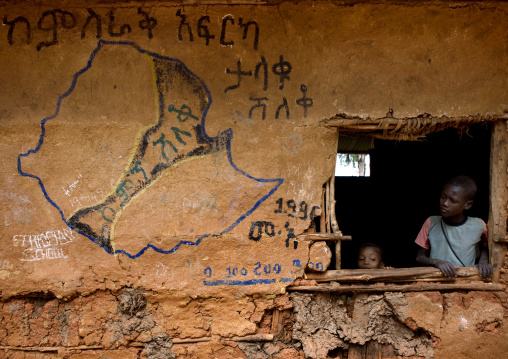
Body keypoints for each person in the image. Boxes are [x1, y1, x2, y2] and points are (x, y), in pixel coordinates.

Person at [415, 176, 493, 278]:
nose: (445, 203)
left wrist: (483, 261)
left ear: (468, 205)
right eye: (443, 197)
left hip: (468, 280)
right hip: (437, 279)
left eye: (453, 201)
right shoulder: (431, 222)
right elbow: (419, 257)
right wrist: (437, 262)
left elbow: (485, 246)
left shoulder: (479, 225)